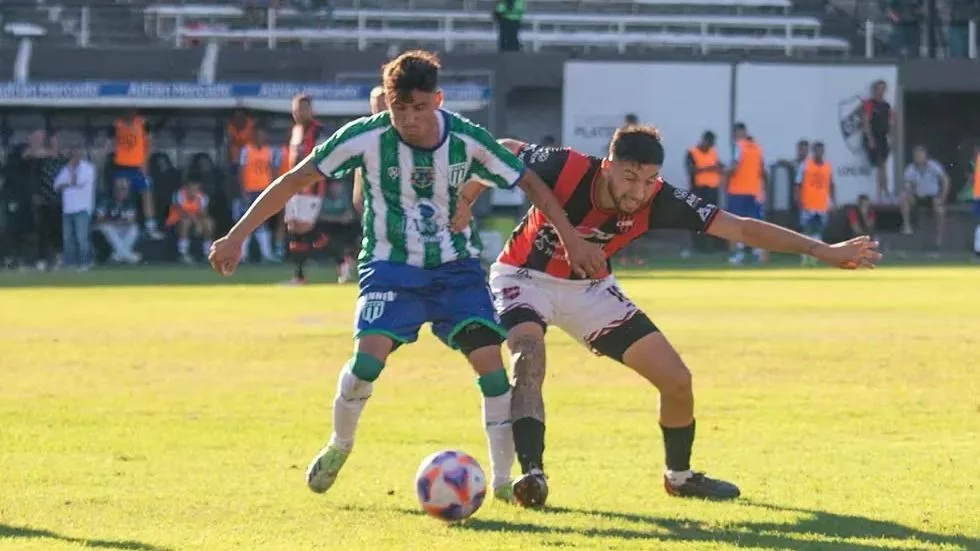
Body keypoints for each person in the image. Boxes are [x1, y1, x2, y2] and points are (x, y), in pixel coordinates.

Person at [207, 49, 605, 504]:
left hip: (455, 268)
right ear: (387, 104)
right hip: (390, 267)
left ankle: (499, 481)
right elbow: (293, 181)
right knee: (366, 365)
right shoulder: (365, 137)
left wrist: (571, 239)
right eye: (400, 109)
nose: (410, 119)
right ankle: (340, 445)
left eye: (419, 108)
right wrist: (237, 236)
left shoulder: (467, 139)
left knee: (492, 370)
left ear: (437, 100)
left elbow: (530, 181)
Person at [454, 125, 880, 508]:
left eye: (649, 180)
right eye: (629, 177)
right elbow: (504, 148)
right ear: (607, 166)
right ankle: (534, 474)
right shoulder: (567, 165)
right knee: (528, 356)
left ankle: (680, 477)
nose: (639, 191)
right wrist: (468, 198)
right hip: (523, 276)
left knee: (677, 380)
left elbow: (741, 228)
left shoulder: (660, 200)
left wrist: (820, 250)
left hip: (591, 290)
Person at [283, 93, 329, 284]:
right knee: (293, 227)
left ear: (311, 110)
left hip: (311, 187)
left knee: (305, 228)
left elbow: (323, 159)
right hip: (294, 188)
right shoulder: (295, 131)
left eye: (302, 108)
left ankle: (340, 255)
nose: (298, 113)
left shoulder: (319, 131)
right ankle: (299, 275)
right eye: (296, 109)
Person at [113, 109, 164, 240]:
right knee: (121, 195)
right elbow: (108, 145)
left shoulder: (142, 123)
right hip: (122, 167)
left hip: (139, 168)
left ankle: (150, 227)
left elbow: (150, 143)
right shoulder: (117, 124)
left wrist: (145, 163)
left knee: (147, 194)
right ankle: (119, 224)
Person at [238, 126, 282, 263]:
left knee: (262, 222)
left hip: (264, 191)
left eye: (262, 135)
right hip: (250, 191)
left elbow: (274, 171)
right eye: (257, 135)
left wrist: (273, 190)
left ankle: (266, 254)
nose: (259, 138)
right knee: (246, 222)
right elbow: (241, 171)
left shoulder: (270, 151)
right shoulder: (246, 150)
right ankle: (242, 255)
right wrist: (243, 190)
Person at [727, 122, 767, 265]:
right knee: (755, 223)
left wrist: (726, 175)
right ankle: (758, 253)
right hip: (754, 191)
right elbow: (763, 170)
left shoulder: (739, 146)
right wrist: (763, 190)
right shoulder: (757, 147)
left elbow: (734, 167)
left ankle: (738, 254)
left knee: (735, 224)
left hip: (738, 191)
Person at [53, 145, 96, 271]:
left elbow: (77, 182)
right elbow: (56, 185)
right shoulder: (65, 168)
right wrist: (67, 181)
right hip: (68, 208)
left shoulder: (88, 169)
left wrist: (68, 180)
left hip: (82, 208)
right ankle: (70, 264)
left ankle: (85, 263)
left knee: (81, 237)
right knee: (68, 238)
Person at [899, 145, 948, 250]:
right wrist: (909, 193)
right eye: (917, 155)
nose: (919, 157)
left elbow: (945, 179)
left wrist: (942, 197)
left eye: (921, 155)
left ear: (925, 156)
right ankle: (907, 226)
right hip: (917, 197)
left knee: (940, 210)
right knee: (904, 197)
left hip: (932, 197)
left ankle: (939, 237)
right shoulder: (911, 168)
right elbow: (906, 185)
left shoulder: (933, 166)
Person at [796, 141, 835, 266]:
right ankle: (804, 256)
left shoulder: (828, 166)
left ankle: (814, 257)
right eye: (817, 150)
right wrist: (798, 200)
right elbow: (798, 184)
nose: (819, 153)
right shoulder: (805, 165)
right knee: (806, 230)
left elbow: (831, 184)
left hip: (822, 205)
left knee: (818, 232)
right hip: (808, 204)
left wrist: (832, 201)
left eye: (821, 150)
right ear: (814, 151)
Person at [685, 131, 724, 254]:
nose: (710, 146)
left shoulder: (713, 152)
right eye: (709, 143)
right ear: (704, 140)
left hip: (712, 190)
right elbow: (691, 170)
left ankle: (711, 247)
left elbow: (718, 166)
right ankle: (698, 247)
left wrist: (720, 168)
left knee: (712, 218)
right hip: (698, 190)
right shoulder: (692, 152)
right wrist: (709, 168)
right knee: (696, 218)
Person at [352, 85, 387, 217]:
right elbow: (359, 166)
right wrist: (357, 196)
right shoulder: (364, 131)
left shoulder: (399, 130)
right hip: (371, 194)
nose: (379, 107)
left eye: (382, 103)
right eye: (376, 103)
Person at [165, 179, 214, 264]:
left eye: (196, 188)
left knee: (209, 223)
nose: (194, 191)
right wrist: (197, 223)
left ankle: (207, 252)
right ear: (187, 188)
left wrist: (199, 223)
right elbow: (182, 212)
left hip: (195, 221)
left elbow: (203, 213)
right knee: (185, 222)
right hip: (176, 221)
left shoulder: (202, 197)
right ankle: (183, 253)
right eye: (192, 188)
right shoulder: (179, 195)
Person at [319, 180, 359, 283]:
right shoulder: (323, 199)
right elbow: (320, 216)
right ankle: (343, 265)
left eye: (338, 186)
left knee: (355, 229)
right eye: (334, 186)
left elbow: (350, 213)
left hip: (344, 228)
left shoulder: (344, 198)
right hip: (328, 229)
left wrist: (345, 217)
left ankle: (348, 262)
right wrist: (337, 218)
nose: (336, 189)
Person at [95, 178, 142, 264]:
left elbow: (132, 220)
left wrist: (119, 223)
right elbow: (99, 219)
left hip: (120, 227)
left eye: (124, 190)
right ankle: (128, 256)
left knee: (134, 228)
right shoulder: (106, 200)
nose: (121, 192)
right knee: (108, 228)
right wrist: (115, 222)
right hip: (105, 227)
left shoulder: (129, 202)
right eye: (119, 189)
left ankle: (118, 256)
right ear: (115, 190)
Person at [863, 80, 893, 203]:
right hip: (873, 137)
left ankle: (883, 192)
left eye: (883, 89)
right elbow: (866, 122)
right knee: (881, 164)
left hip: (883, 138)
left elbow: (890, 123)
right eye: (879, 89)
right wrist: (870, 139)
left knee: (883, 165)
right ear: (874, 90)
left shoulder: (887, 106)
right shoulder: (869, 104)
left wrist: (891, 139)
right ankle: (882, 192)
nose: (881, 91)